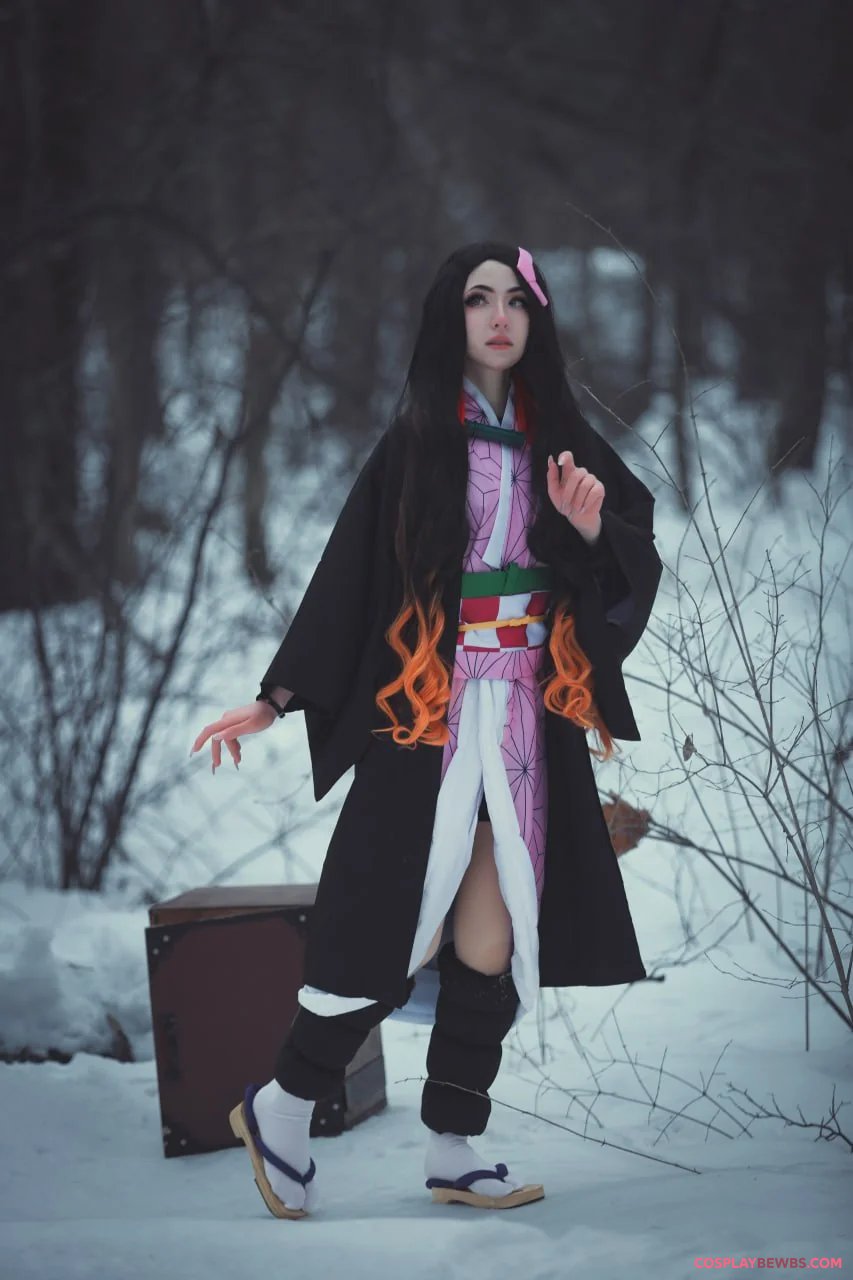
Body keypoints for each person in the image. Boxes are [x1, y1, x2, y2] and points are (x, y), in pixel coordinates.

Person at [191, 242, 663, 1219]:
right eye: (478, 299)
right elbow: (348, 576)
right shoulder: (417, 441)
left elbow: (631, 555)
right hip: (429, 712)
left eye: (515, 300)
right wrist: (278, 696)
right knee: (389, 922)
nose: (497, 316)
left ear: (535, 319)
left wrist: (588, 532)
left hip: (525, 715)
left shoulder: (562, 438)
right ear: (452, 318)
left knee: (492, 936)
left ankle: (452, 1141)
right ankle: (282, 1105)